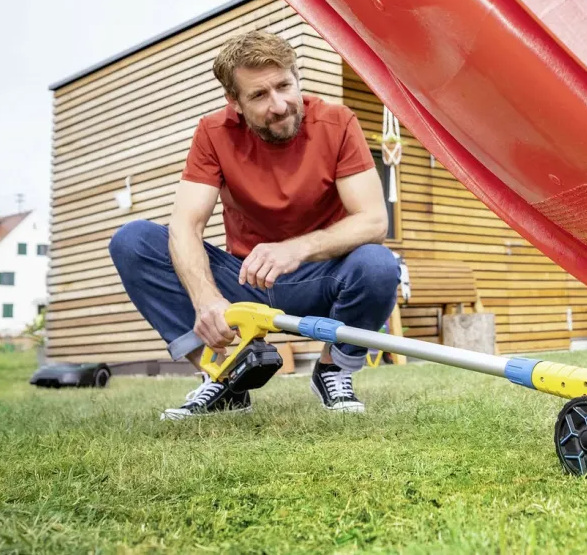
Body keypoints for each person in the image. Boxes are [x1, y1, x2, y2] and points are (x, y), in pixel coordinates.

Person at [108, 30, 400, 419]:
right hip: (247, 280)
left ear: (297, 78)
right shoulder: (213, 133)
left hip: (322, 277)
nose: (278, 106)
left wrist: (296, 248)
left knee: (378, 265)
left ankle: (332, 370)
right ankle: (223, 377)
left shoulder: (337, 122)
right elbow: (186, 226)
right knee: (133, 241)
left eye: (284, 86)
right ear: (235, 103)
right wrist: (206, 299)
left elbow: (373, 220)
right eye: (259, 95)